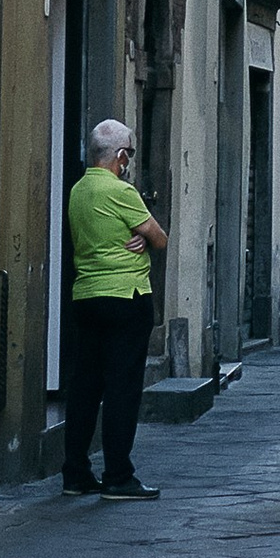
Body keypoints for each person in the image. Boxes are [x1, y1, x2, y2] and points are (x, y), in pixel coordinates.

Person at [64, 120, 166, 501]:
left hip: (86, 296)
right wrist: (142, 233)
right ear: (121, 156)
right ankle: (118, 475)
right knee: (122, 389)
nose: (129, 162)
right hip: (126, 296)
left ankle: (75, 472)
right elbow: (159, 238)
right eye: (130, 154)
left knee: (85, 387)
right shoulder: (121, 191)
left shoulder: (78, 190)